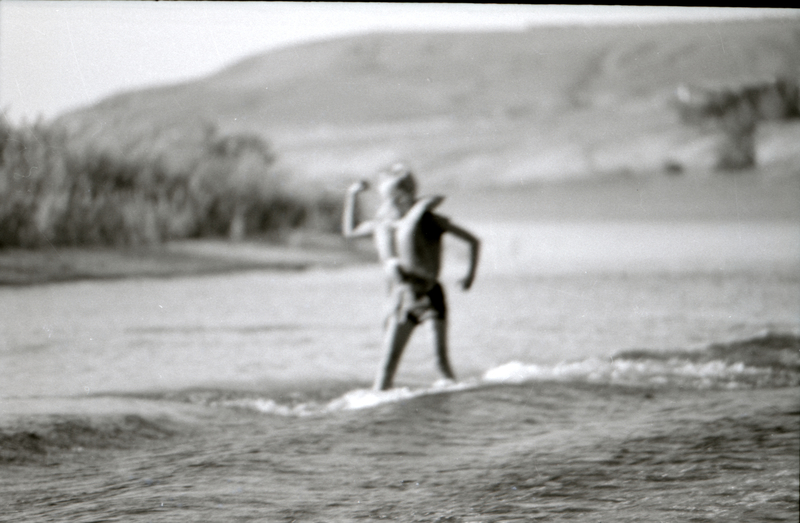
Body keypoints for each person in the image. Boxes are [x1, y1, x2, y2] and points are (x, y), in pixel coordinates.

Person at [342, 163, 480, 390]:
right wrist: (352, 195)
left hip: (430, 298)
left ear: (411, 196)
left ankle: (449, 417)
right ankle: (379, 417)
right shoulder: (382, 225)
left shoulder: (428, 220)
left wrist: (469, 277)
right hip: (401, 299)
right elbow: (350, 232)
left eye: (400, 197)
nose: (394, 203)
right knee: (386, 367)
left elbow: (473, 241)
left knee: (441, 363)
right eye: (388, 198)